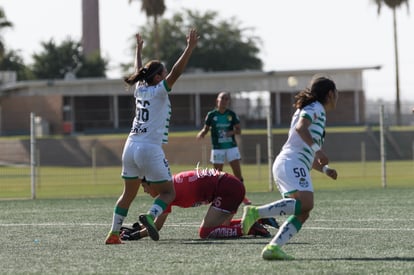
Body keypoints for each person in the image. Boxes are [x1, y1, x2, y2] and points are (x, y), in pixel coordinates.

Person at [105, 29, 199, 244]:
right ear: (157, 77)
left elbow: (139, 71)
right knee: (168, 193)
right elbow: (177, 71)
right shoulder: (159, 90)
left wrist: (139, 50)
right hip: (149, 148)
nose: (166, 76)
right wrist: (189, 48)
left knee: (127, 194)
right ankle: (150, 215)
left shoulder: (140, 88)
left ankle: (113, 233)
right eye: (163, 73)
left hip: (130, 147)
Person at [241, 75, 339, 260]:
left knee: (303, 212)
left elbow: (305, 151)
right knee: (306, 204)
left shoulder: (315, 110)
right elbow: (300, 129)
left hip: (291, 163)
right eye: (336, 93)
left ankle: (273, 248)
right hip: (290, 162)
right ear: (330, 94)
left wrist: (325, 169)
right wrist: (319, 151)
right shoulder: (315, 107)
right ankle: (255, 212)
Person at [120, 167, 278, 240]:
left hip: (227, 189)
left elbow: (157, 227)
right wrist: (138, 228)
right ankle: (257, 219)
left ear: (153, 183)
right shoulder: (168, 186)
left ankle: (251, 226)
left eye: (144, 186)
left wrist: (134, 236)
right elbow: (154, 223)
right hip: (229, 185)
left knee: (206, 233)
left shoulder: (165, 195)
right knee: (219, 229)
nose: (145, 191)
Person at [196, 92, 252, 205]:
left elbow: (239, 130)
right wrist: (202, 133)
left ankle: (242, 196)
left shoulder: (231, 114)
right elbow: (206, 128)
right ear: (217, 100)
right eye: (223, 98)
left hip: (231, 147)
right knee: (217, 174)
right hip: (217, 148)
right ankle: (216, 196)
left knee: (238, 174)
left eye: (227, 99)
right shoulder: (211, 115)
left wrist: (231, 132)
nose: (225, 101)